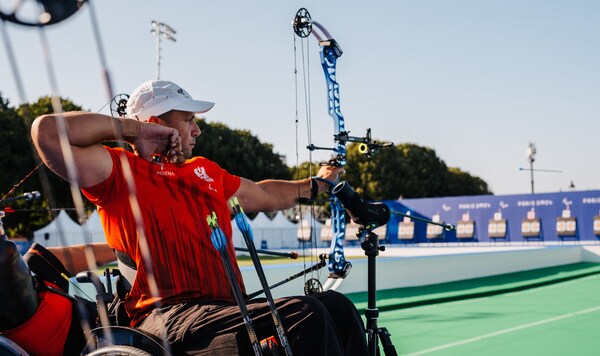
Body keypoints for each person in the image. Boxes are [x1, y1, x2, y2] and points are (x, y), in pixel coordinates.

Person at [31, 80, 368, 355]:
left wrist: (320, 185)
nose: (197, 130)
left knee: (337, 307)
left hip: (226, 311)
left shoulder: (205, 171)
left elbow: (266, 195)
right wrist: (133, 131)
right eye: (188, 120)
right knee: (304, 316)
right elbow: (47, 133)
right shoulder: (120, 170)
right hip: (168, 319)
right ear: (157, 124)